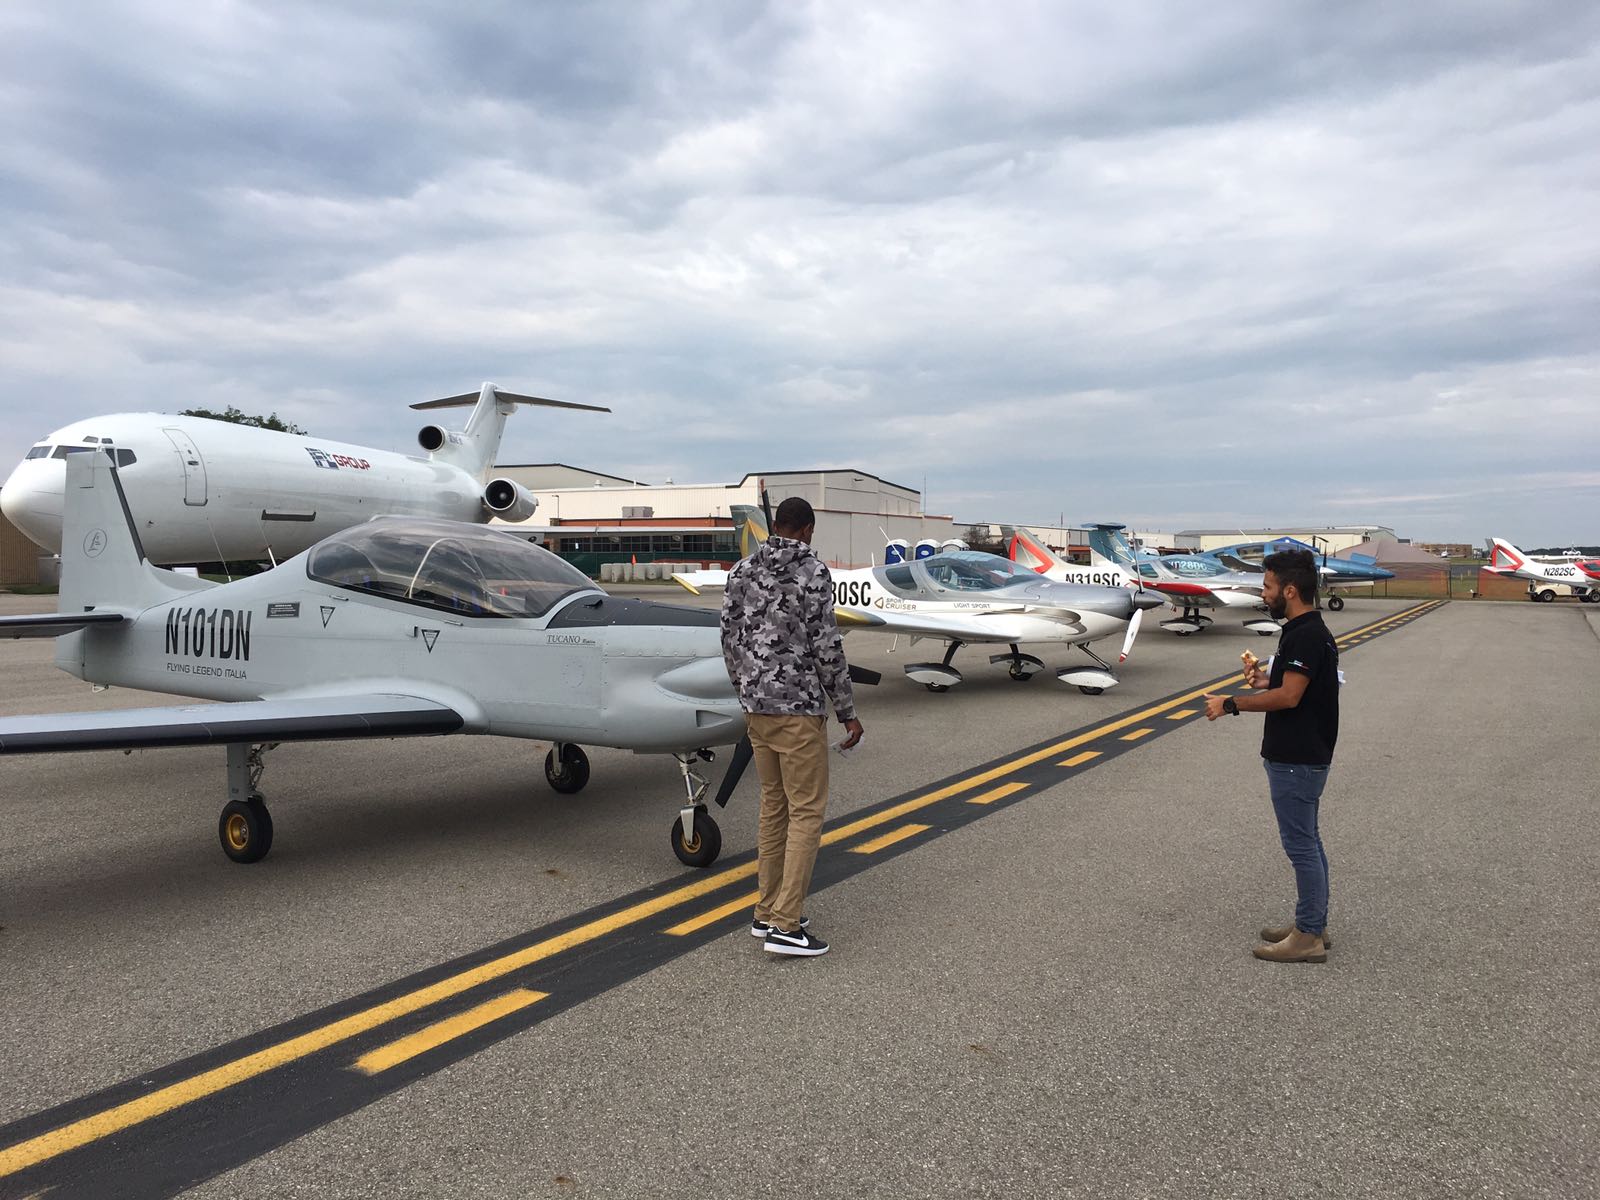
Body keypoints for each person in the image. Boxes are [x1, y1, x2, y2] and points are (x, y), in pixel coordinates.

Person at [720, 496, 864, 958]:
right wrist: (846, 710)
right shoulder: (811, 571)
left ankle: (767, 911)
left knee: (774, 807)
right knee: (806, 812)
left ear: (775, 525)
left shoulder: (741, 570)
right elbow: (826, 647)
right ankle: (785, 925)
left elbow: (728, 637)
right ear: (806, 529)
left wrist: (745, 690)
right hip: (797, 709)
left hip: (757, 708)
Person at [1204, 548, 1339, 964]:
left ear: (1290, 590)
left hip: (1297, 758)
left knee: (1301, 846)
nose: (1264, 594)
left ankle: (1308, 935)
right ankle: (1312, 922)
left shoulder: (1305, 635)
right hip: (1303, 754)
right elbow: (1293, 685)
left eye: (1268, 586)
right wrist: (1266, 680)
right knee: (1308, 841)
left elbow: (1290, 696)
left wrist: (1230, 703)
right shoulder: (1304, 631)